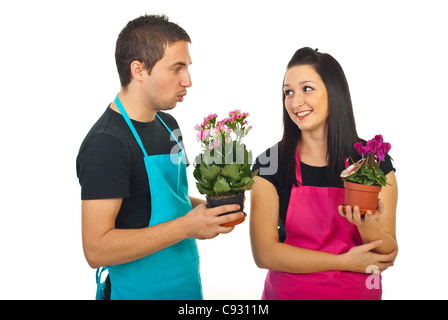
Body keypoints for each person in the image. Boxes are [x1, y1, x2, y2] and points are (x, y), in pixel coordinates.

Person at [76, 14, 244, 300]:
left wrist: (211, 210)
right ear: (138, 69)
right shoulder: (106, 144)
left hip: (186, 286)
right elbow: (96, 249)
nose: (188, 81)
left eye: (188, 68)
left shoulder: (169, 125)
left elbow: (166, 197)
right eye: (177, 69)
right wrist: (187, 226)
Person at [250, 47, 398, 300]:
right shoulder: (270, 164)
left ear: (334, 92)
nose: (295, 102)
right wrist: (345, 261)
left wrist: (368, 225)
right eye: (288, 92)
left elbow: (388, 252)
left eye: (307, 89)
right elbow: (264, 254)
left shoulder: (373, 164)